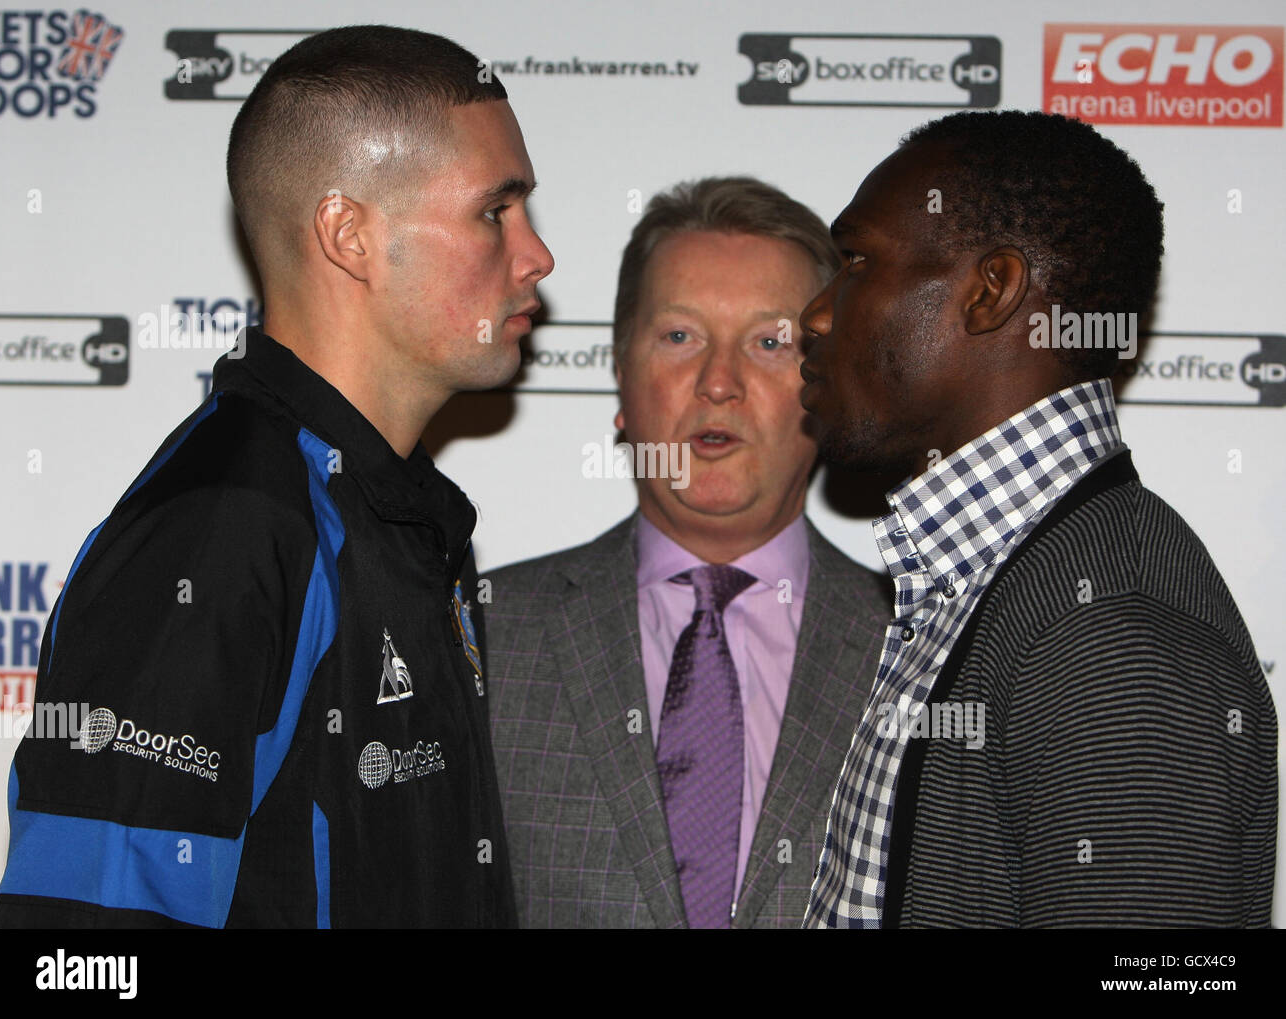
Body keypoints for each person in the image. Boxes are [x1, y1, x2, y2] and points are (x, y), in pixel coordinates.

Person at [0, 25, 552, 928]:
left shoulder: (403, 518)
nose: (536, 255)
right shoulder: (224, 525)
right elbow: (89, 949)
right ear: (349, 234)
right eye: (497, 211)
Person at [799, 110, 1277, 928]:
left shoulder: (1111, 630)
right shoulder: (999, 575)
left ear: (991, 291)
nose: (813, 314)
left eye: (854, 262)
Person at [483, 177, 888, 928]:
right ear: (620, 375)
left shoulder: (924, 646)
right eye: (679, 336)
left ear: (828, 382)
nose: (719, 383)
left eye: (771, 342)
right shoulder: (481, 635)